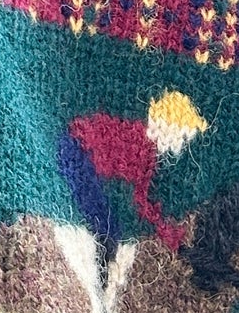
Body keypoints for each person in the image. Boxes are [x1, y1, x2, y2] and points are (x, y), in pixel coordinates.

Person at [63, 89, 210, 248]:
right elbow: (141, 200)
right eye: (183, 135)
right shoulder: (144, 150)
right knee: (102, 223)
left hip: (80, 149)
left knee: (106, 224)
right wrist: (165, 230)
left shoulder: (146, 148)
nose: (183, 142)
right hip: (77, 150)